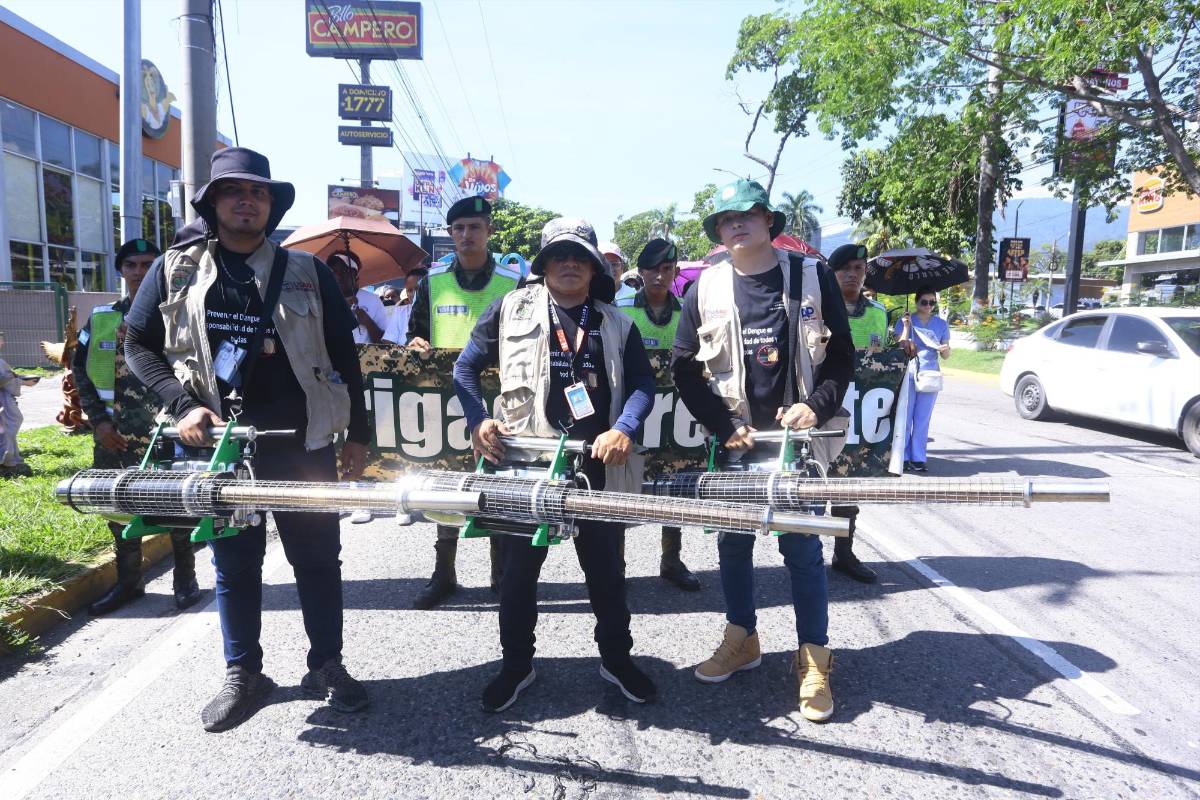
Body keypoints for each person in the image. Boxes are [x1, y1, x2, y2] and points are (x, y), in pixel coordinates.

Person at [124, 147, 371, 732]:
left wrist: (359, 434)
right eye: (234, 191)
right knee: (234, 562)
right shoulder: (174, 269)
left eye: (257, 192)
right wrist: (181, 405)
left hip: (304, 444)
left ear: (269, 205)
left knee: (317, 559)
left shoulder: (307, 273)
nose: (246, 200)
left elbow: (345, 356)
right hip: (218, 447)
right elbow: (138, 346)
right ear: (211, 203)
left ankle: (327, 665)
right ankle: (244, 672)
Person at [453, 217, 657, 712]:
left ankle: (616, 659)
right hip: (527, 465)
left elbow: (643, 386)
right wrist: (479, 420)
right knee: (518, 576)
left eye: (579, 257)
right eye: (559, 256)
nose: (569, 264)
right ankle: (516, 666)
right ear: (543, 264)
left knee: (607, 573)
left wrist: (624, 428)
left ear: (592, 267)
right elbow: (465, 368)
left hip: (597, 467)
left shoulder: (617, 322)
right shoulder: (508, 308)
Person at [672, 179, 853, 723]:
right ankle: (742, 638)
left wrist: (815, 408)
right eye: (726, 218)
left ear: (768, 221)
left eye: (747, 213)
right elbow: (684, 368)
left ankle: (814, 658)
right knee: (732, 545)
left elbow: (842, 359)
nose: (736, 223)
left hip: (794, 443)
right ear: (719, 231)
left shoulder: (811, 276)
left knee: (802, 550)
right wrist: (723, 423)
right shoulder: (703, 287)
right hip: (736, 442)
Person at [73, 238, 204, 613]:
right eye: (131, 265)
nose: (139, 272)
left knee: (177, 506)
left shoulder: (176, 318)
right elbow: (80, 371)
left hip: (166, 432)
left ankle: (185, 580)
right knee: (116, 508)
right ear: (121, 270)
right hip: (115, 434)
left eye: (148, 264)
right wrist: (97, 422)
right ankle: (129, 584)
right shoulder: (101, 319)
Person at [406, 197, 519, 609]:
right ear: (451, 234)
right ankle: (444, 574)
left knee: (498, 481)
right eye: (459, 229)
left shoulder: (513, 282)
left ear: (488, 231)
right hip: (442, 398)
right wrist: (414, 344)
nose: (467, 235)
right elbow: (414, 335)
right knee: (444, 483)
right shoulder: (433, 281)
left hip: (499, 400)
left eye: (475, 227)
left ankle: (500, 575)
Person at [613, 238, 700, 592]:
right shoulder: (621, 311)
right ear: (641, 272)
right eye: (652, 270)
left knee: (673, 486)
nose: (659, 277)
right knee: (620, 486)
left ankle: (671, 559)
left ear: (675, 272)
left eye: (667, 270)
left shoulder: (687, 314)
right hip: (633, 414)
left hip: (678, 417)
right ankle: (615, 564)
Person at [826, 243, 915, 584]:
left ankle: (843, 553)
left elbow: (884, 359)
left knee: (849, 489)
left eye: (859, 268)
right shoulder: (816, 310)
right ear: (832, 273)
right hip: (826, 414)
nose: (852, 274)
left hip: (862, 419)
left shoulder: (878, 313)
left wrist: (903, 348)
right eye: (845, 268)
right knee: (812, 485)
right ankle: (804, 554)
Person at [895, 285, 950, 473]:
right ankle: (902, 456)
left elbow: (946, 355)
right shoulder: (905, 321)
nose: (928, 306)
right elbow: (899, 345)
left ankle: (918, 458)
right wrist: (906, 325)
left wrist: (944, 349)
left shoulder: (941, 324)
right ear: (917, 302)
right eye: (924, 302)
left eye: (932, 302)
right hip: (908, 373)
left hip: (930, 375)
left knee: (922, 419)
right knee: (905, 417)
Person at [0, 331, 39, 477]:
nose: (3, 343)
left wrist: (17, 379)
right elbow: (3, 380)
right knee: (8, 427)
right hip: (2, 402)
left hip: (4, 399)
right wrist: (23, 382)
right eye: (0, 340)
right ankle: (6, 461)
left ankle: (9, 459)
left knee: (10, 425)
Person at [328, 251, 388, 344]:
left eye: (343, 271)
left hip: (364, 358)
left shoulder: (373, 300)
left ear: (355, 275)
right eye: (333, 271)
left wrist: (368, 322)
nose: (337, 276)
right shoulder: (324, 300)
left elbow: (385, 343)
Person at [381, 268, 426, 345]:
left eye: (418, 288)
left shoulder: (437, 312)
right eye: (410, 290)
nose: (414, 293)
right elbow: (388, 341)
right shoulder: (399, 312)